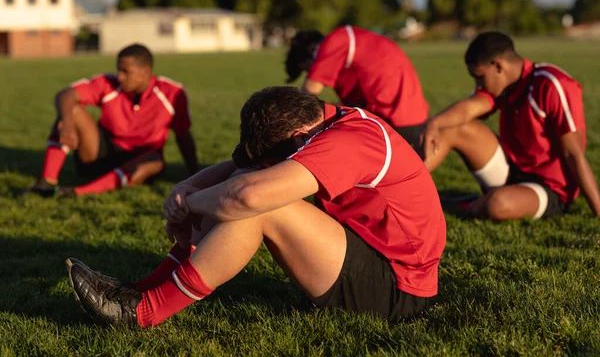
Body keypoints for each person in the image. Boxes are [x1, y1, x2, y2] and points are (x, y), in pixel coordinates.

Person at [65, 86, 446, 327]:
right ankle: (140, 290)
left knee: (258, 204)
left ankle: (143, 312)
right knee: (241, 189)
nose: (263, 163)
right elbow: (240, 168)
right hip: (372, 256)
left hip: (398, 291)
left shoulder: (351, 141)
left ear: (298, 136)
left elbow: (246, 196)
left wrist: (192, 204)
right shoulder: (322, 123)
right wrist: (188, 187)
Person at [421, 31, 600, 220]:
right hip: (511, 170)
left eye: (480, 77)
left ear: (498, 66)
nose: (478, 85)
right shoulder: (503, 85)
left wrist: (597, 208)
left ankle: (463, 205)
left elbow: (573, 153)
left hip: (549, 187)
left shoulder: (551, 84)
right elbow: (468, 110)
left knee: (498, 205)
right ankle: (401, 185)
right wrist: (435, 123)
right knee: (451, 127)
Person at [25, 44, 199, 197]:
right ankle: (46, 182)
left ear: (145, 72)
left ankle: (76, 192)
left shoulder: (172, 93)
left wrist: (195, 173)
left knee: (154, 162)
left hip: (141, 159)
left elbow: (183, 135)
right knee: (71, 110)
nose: (120, 76)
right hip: (101, 154)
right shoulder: (108, 84)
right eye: (118, 70)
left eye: (125, 71)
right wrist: (67, 123)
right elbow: (66, 94)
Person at [285, 26, 429, 150]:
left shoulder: (335, 41)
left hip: (395, 121)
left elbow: (308, 93)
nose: (313, 71)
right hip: (413, 117)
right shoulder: (353, 41)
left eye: (309, 69)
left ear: (312, 49)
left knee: (324, 141)